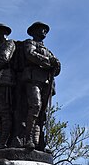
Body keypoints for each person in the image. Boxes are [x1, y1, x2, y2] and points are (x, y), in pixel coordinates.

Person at [22, 22, 61, 150]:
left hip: (46, 83)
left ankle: (38, 142)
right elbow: (30, 55)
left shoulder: (49, 51)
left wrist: (56, 64)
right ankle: (28, 139)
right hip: (33, 79)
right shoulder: (29, 43)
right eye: (41, 29)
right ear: (33, 31)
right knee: (35, 107)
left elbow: (57, 69)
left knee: (42, 114)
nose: (44, 31)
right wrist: (49, 62)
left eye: (45, 30)